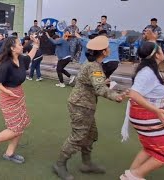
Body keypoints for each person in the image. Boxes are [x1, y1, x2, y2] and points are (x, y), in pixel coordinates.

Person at [53, 36, 124, 180]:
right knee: (78, 136)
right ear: (103, 52)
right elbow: (99, 88)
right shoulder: (94, 66)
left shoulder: (92, 64)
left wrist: (105, 82)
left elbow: (94, 82)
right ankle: (59, 164)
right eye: (108, 47)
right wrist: (116, 96)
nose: (110, 49)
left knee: (90, 135)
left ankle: (86, 164)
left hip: (85, 104)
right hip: (81, 105)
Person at [120, 31, 164, 180]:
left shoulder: (150, 67)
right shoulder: (147, 72)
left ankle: (128, 176)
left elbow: (152, 49)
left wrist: (153, 39)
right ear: (156, 56)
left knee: (150, 148)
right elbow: (134, 94)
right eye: (161, 50)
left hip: (147, 114)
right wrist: (156, 110)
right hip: (146, 115)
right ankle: (135, 175)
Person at [0, 35, 39, 164]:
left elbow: (30, 57)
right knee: (15, 128)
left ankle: (9, 153)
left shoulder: (20, 59)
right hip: (8, 97)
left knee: (20, 125)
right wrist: (7, 91)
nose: (22, 45)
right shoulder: (6, 64)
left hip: (18, 94)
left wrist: (36, 45)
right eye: (19, 44)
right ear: (12, 48)